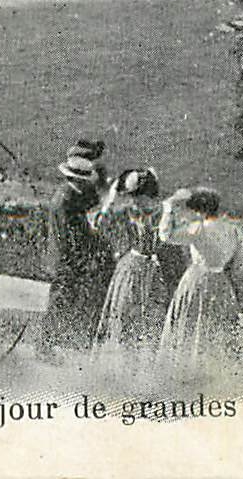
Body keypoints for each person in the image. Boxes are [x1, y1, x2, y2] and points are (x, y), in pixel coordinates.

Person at [157, 187, 243, 376]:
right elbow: (240, 265)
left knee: (190, 322)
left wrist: (168, 209)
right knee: (215, 326)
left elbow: (165, 235)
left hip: (196, 280)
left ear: (200, 210)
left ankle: (185, 370)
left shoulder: (198, 228)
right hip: (221, 283)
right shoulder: (234, 230)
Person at [35, 151, 113, 359]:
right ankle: (45, 346)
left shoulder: (69, 194)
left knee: (66, 300)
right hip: (65, 258)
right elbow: (69, 236)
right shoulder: (66, 201)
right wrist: (84, 253)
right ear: (79, 179)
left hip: (66, 257)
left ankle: (52, 344)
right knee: (60, 301)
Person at [90, 168, 168, 362]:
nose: (136, 200)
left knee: (149, 319)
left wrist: (111, 199)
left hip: (150, 269)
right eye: (134, 196)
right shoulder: (135, 211)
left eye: (139, 196)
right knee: (125, 316)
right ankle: (121, 362)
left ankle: (140, 365)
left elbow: (100, 222)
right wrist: (111, 199)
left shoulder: (160, 211)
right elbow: (99, 223)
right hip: (133, 267)